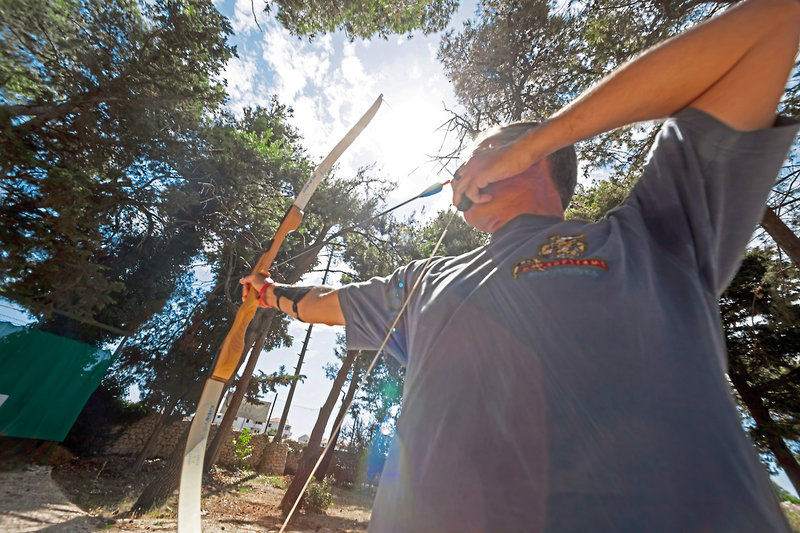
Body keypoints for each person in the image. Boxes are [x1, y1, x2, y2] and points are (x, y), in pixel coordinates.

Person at [242, 0, 800, 530]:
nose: (459, 174)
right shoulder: (425, 279)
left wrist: (542, 136)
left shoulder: (649, 234)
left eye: (478, 156)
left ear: (531, 155)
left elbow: (773, 24)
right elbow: (326, 303)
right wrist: (269, 292)